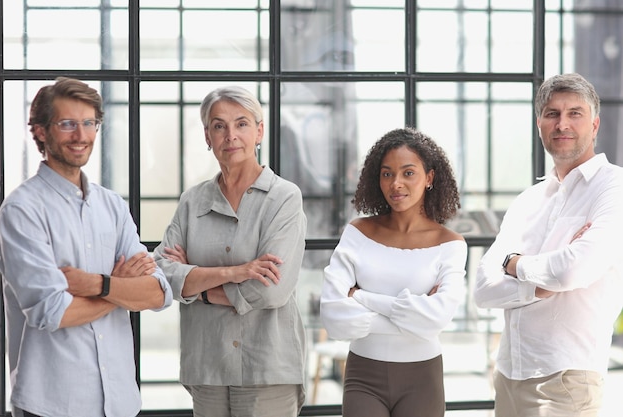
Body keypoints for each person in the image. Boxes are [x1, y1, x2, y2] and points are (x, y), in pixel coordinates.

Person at [0, 77, 173, 417]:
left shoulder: (112, 206)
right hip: (52, 404)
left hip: (120, 403)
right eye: (67, 124)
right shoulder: (21, 211)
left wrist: (98, 284)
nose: (81, 135)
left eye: (89, 123)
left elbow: (158, 293)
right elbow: (53, 312)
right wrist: (122, 290)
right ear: (40, 131)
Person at [474, 73, 623, 417]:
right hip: (509, 374)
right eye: (552, 113)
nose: (562, 123)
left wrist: (514, 264)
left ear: (595, 124)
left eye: (575, 113)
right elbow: (482, 290)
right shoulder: (528, 200)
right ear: (539, 123)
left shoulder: (613, 188)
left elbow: (573, 269)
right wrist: (538, 288)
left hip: (567, 378)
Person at [153, 85, 308, 417]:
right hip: (207, 363)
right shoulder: (192, 201)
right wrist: (236, 272)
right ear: (207, 136)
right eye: (218, 125)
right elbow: (163, 272)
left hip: (267, 366)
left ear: (259, 131)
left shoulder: (284, 198)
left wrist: (197, 287)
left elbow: (272, 290)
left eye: (241, 123)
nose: (230, 135)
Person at [320, 127, 467, 417]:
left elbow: (436, 320)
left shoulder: (450, 244)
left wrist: (362, 297)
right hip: (364, 375)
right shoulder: (358, 232)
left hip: (422, 379)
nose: (396, 183)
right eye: (387, 174)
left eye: (408, 173)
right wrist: (413, 317)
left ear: (430, 178)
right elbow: (333, 317)